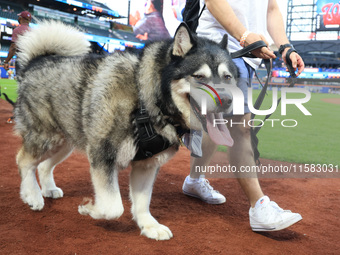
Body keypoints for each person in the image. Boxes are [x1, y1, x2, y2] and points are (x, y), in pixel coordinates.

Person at [182, 0, 305, 231]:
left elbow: (271, 9)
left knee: (216, 123)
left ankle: (194, 180)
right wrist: (245, 34)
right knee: (240, 126)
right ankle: (259, 206)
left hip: (247, 53)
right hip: (218, 44)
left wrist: (286, 46)